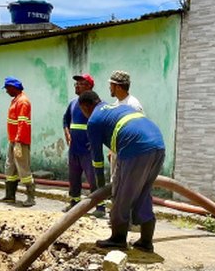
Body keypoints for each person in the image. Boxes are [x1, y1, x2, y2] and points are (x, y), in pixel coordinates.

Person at [80, 90, 165, 252]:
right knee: (143, 192)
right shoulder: (115, 108)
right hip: (158, 144)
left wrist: (100, 187)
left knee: (122, 194)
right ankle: (146, 241)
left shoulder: (93, 120)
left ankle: (118, 239)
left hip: (136, 148)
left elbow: (97, 160)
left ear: (85, 107)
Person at [62, 74, 106, 216]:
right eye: (76, 83)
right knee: (73, 178)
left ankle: (100, 206)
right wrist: (67, 133)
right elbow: (65, 119)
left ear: (89, 86)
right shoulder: (73, 103)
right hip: (74, 149)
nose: (77, 85)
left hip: (88, 149)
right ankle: (74, 203)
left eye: (80, 83)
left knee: (94, 179)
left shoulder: (96, 104)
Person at [0, 76, 34, 207]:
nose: (6, 91)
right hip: (14, 140)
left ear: (13, 88)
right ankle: (10, 196)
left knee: (23, 169)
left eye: (7, 88)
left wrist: (18, 141)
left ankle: (31, 198)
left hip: (20, 141)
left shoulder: (23, 101)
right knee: (10, 168)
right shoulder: (15, 100)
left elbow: (23, 123)